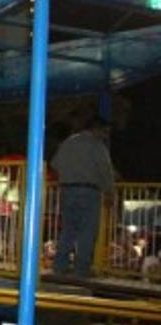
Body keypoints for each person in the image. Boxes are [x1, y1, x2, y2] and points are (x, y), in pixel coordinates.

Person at [50, 116, 115, 277]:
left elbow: (55, 163)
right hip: (89, 190)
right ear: (96, 129)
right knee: (87, 230)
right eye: (105, 132)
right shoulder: (96, 145)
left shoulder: (68, 142)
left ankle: (59, 266)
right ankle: (81, 268)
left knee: (68, 229)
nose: (106, 135)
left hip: (67, 189)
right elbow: (105, 170)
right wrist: (109, 191)